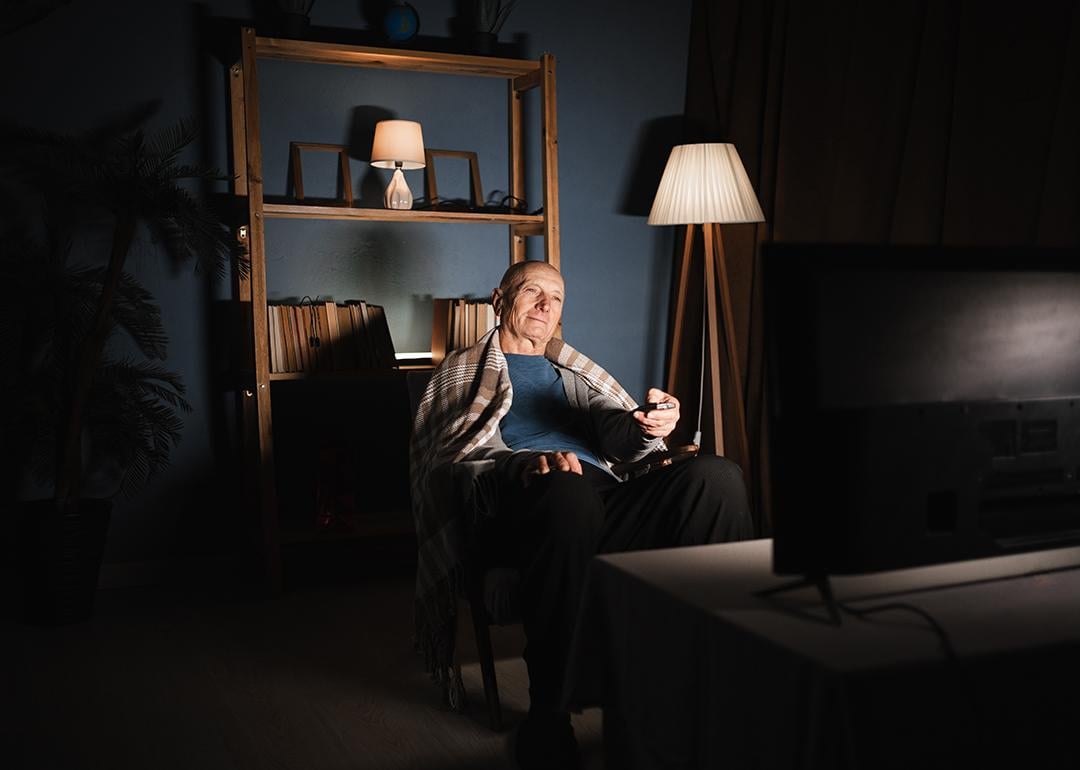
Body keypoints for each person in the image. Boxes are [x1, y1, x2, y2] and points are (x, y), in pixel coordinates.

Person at [409, 260, 752, 770]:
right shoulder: (460, 372)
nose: (547, 306)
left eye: (558, 297)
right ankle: (550, 717)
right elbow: (451, 458)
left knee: (717, 477)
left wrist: (646, 426)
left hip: (601, 495)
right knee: (565, 494)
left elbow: (615, 433)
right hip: (517, 500)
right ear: (500, 300)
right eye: (533, 293)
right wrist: (522, 465)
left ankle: (723, 683)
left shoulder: (569, 370)